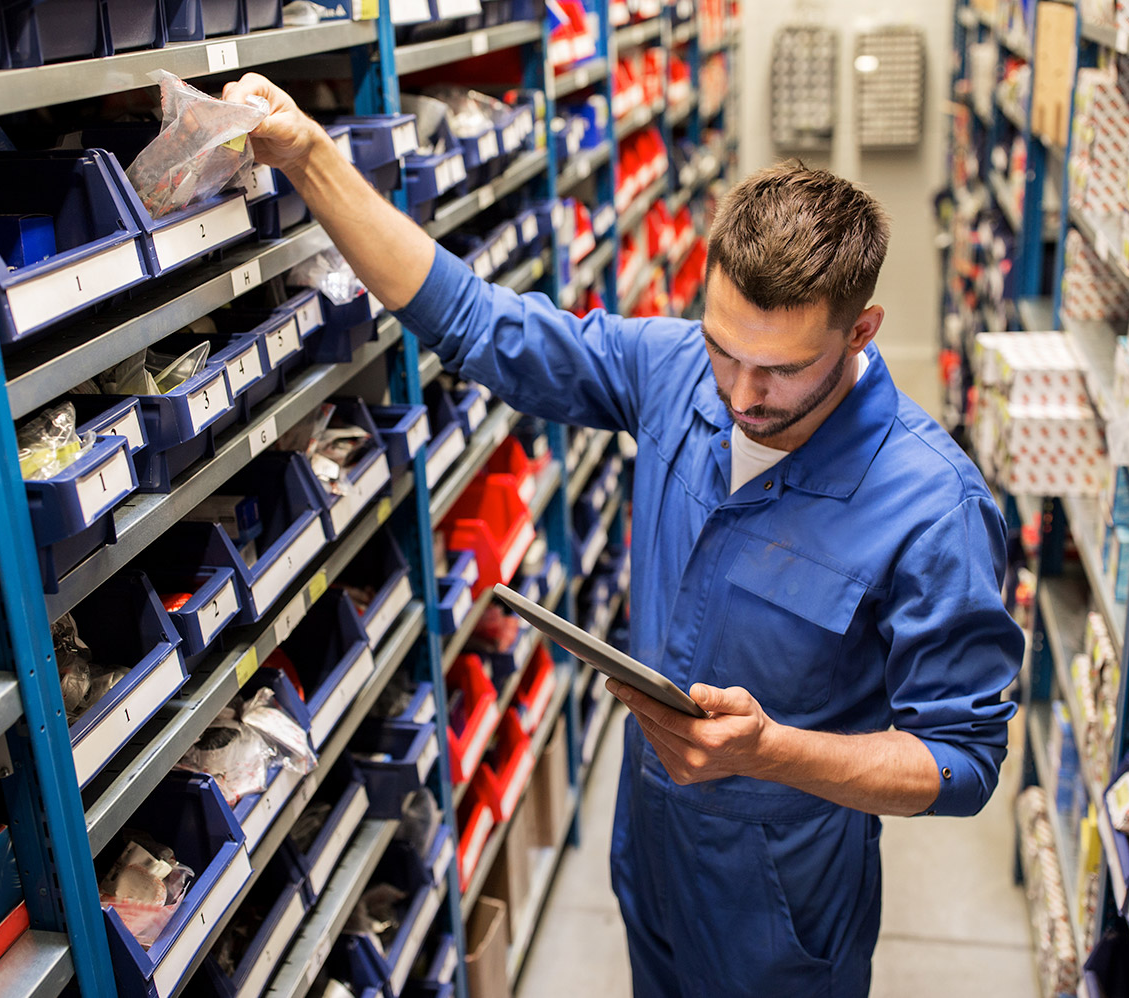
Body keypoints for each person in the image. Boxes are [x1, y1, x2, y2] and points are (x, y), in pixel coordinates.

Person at [222, 72, 1023, 997]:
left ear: (861, 332)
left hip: (783, 895)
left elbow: (963, 761)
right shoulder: (675, 368)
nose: (739, 395)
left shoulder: (933, 506)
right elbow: (477, 322)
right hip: (650, 838)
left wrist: (774, 752)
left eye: (780, 370)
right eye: (725, 349)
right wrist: (312, 156)